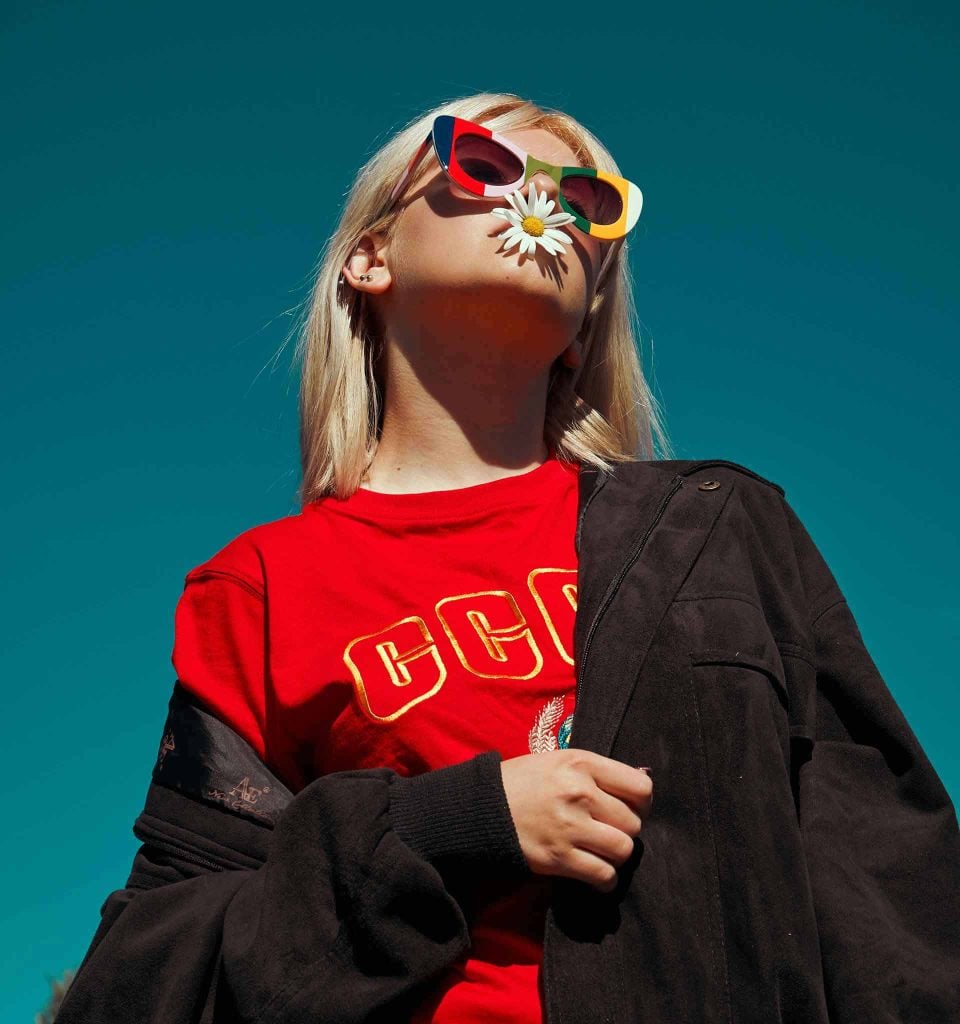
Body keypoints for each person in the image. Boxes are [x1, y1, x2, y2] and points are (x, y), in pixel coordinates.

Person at [56, 92, 960, 1024]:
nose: (546, 206)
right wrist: (454, 826)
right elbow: (151, 975)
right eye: (483, 165)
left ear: (590, 314)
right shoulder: (260, 586)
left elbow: (889, 895)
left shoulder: (717, 533)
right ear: (371, 257)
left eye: (589, 199)